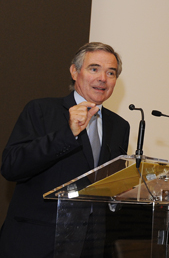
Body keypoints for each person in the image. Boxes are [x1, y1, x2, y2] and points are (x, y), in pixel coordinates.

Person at [0, 42, 130, 257]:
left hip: (89, 245)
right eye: (94, 69)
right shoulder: (41, 110)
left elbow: (108, 185)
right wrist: (67, 134)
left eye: (111, 72)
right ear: (74, 71)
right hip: (36, 243)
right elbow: (12, 166)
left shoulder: (120, 126)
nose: (102, 78)